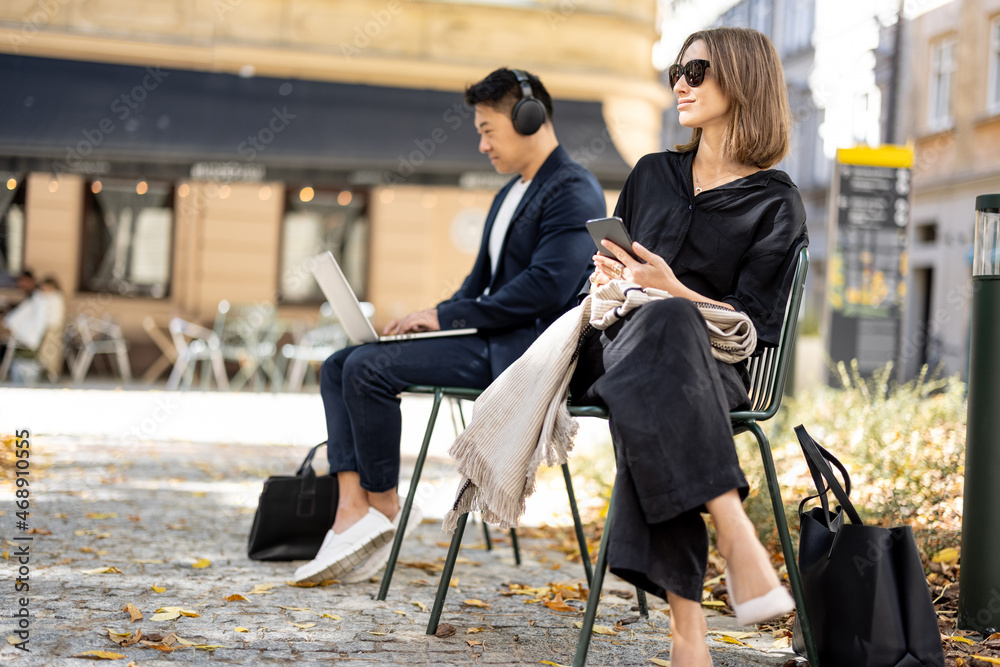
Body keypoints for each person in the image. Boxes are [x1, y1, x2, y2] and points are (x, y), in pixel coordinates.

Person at [292, 68, 606, 585]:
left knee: (368, 370)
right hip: (490, 338)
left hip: (523, 354)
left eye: (487, 129)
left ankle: (386, 512)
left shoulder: (575, 190)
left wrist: (447, 319)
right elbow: (476, 284)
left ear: (530, 119)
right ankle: (351, 510)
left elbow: (545, 288)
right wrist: (430, 319)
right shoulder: (511, 194)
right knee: (338, 365)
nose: (481, 144)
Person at [572, 28, 807, 666]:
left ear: (744, 81)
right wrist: (607, 278)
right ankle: (733, 529)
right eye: (677, 69)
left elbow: (756, 327)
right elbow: (593, 288)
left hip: (716, 365)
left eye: (698, 71)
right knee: (661, 335)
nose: (680, 82)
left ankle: (689, 634)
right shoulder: (652, 173)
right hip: (614, 347)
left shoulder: (776, 202)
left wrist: (674, 289)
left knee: (669, 346)